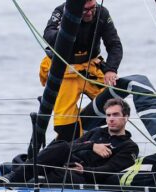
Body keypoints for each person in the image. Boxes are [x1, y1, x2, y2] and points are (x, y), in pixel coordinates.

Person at [0, 98, 138, 186]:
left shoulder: (129, 146)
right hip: (67, 162)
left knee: (61, 174)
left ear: (126, 117)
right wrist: (91, 145)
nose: (111, 119)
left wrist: (84, 170)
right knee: (61, 146)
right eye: (108, 115)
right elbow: (71, 146)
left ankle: (31, 180)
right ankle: (14, 177)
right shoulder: (96, 132)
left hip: (84, 175)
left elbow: (110, 170)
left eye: (115, 115)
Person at [40, 0, 123, 142]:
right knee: (64, 122)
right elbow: (48, 34)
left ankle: (110, 143)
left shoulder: (102, 13)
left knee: (115, 105)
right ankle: (71, 148)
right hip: (65, 69)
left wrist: (111, 69)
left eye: (92, 8)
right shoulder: (62, 11)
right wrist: (65, 30)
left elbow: (114, 44)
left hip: (90, 66)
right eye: (85, 10)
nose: (90, 12)